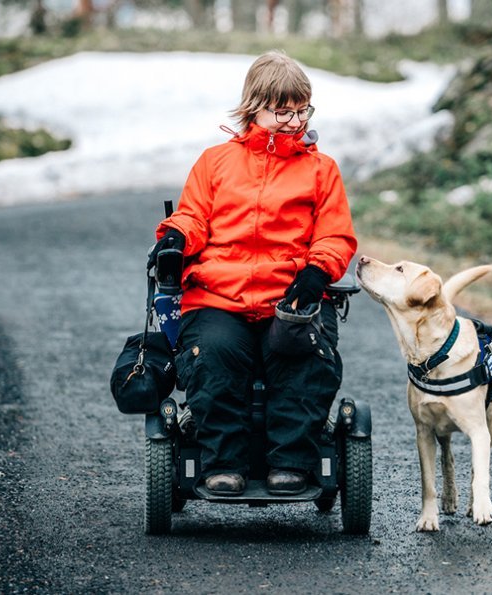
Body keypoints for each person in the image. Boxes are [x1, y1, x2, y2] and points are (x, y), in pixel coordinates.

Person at [147, 51, 357, 497]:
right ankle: (223, 463)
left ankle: (293, 463)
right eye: (283, 111)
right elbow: (193, 217)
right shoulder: (216, 162)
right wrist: (174, 238)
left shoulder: (322, 170)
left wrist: (317, 272)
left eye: (302, 111)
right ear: (255, 107)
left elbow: (336, 235)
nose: (294, 121)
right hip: (220, 297)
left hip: (291, 296)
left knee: (300, 362)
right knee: (215, 356)